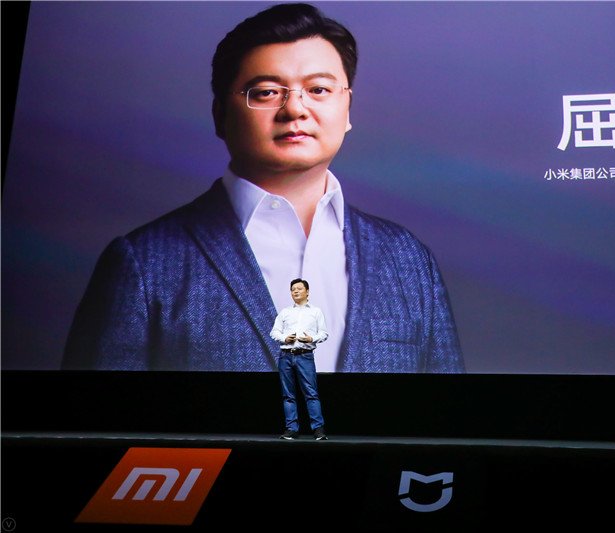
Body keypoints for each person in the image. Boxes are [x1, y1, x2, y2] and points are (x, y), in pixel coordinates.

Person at [62, 2, 465, 373]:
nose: (295, 109)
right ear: (220, 115)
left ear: (347, 109)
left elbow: (449, 419)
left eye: (319, 90)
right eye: (267, 92)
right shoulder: (144, 264)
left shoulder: (407, 260)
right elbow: (95, 420)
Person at [271, 278, 328, 440]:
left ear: (307, 292)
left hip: (305, 355)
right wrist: (284, 338)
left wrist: (311, 339)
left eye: (299, 288)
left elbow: (324, 333)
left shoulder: (315, 311)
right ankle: (291, 429)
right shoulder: (285, 312)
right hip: (286, 356)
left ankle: (318, 430)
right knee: (288, 395)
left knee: (311, 393)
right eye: (292, 289)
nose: (295, 291)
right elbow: (274, 332)